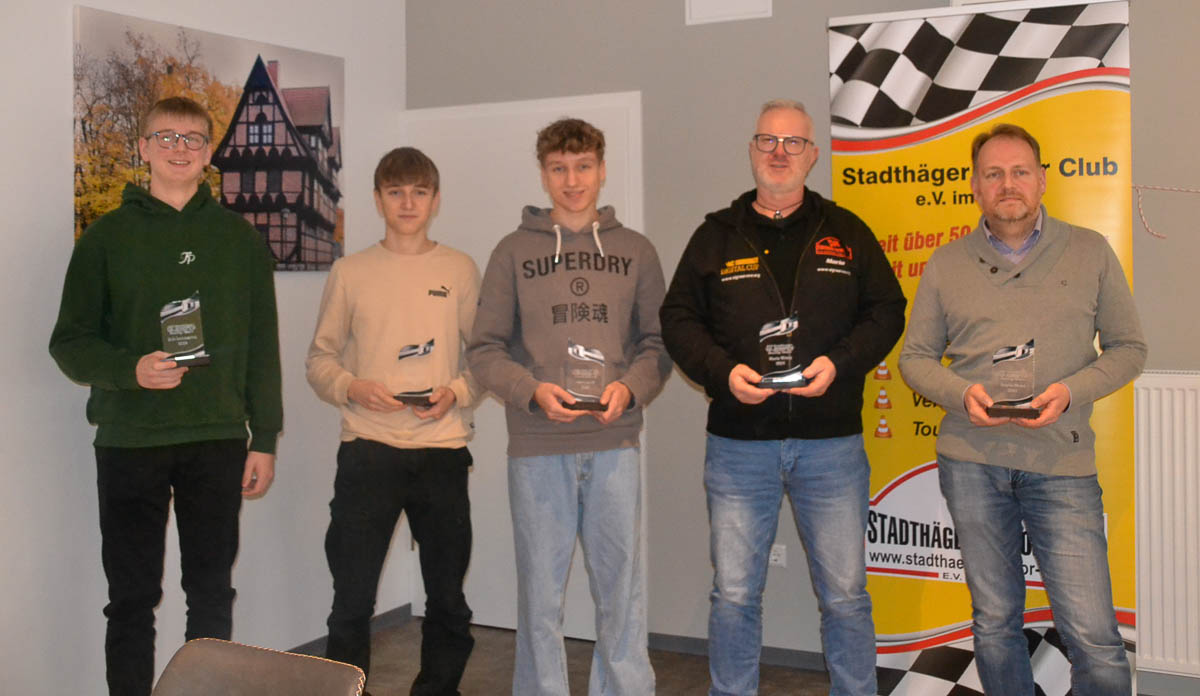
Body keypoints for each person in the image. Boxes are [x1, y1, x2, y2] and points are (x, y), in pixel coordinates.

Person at [659, 99, 906, 696]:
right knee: (735, 594)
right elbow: (678, 318)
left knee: (845, 595)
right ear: (752, 151)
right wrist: (722, 373)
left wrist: (839, 364)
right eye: (767, 140)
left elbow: (887, 310)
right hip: (739, 447)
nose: (779, 152)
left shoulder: (846, 231)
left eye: (793, 142)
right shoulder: (715, 235)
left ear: (812, 155)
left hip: (831, 446)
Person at [897, 123, 1145, 695]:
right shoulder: (946, 263)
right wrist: (961, 394)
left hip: (1061, 462)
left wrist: (1071, 391)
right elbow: (915, 358)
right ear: (976, 187)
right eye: (994, 174)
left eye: (1019, 171)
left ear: (1042, 179)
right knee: (994, 623)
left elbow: (1130, 348)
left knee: (1094, 636)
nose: (1008, 184)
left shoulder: (1089, 250)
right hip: (972, 462)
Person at [49, 96, 282, 696]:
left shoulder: (239, 240)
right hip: (131, 441)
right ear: (144, 148)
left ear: (208, 153)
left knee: (211, 594)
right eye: (166, 137)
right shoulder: (105, 238)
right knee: (131, 598)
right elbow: (69, 343)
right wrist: (130, 370)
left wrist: (265, 437)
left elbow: (263, 345)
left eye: (192, 139)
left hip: (217, 438)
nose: (180, 148)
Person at [467, 117, 670, 696]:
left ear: (602, 170)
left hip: (614, 444)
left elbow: (658, 345)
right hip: (537, 448)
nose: (572, 181)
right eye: (559, 168)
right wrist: (530, 391)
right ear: (543, 174)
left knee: (621, 595)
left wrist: (630, 388)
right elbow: (484, 350)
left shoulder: (636, 250)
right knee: (539, 599)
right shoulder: (512, 252)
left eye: (583, 167)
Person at [306, 147, 480, 695]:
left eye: (419, 192)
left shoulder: (459, 269)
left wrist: (455, 393)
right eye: (396, 192)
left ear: (435, 200)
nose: (408, 203)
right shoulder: (350, 272)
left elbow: (486, 358)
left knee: (447, 599)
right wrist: (352, 386)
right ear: (378, 200)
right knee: (351, 602)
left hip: (442, 452)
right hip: (368, 451)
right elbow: (320, 360)